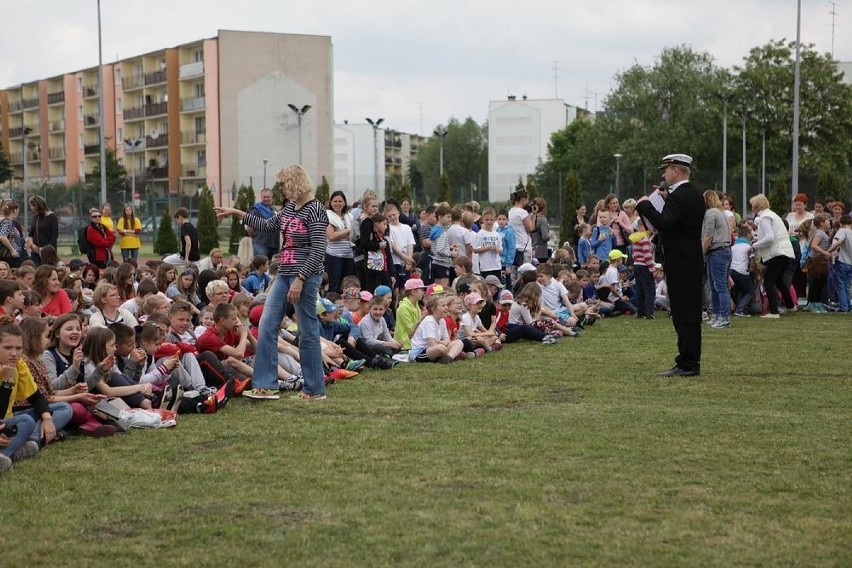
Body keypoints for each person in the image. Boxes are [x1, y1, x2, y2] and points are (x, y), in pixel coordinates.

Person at [215, 164, 327, 400]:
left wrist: (301, 279)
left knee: (307, 331)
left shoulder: (315, 209)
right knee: (266, 324)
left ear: (295, 182)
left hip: (304, 275)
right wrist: (237, 213)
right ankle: (266, 385)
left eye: (284, 184)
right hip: (284, 273)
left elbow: (318, 249)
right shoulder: (289, 208)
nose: (282, 189)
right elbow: (267, 226)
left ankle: (315, 389)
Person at [636, 154, 705, 377]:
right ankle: (688, 360)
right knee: (689, 313)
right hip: (689, 261)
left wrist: (646, 206)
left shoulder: (680, 196)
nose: (663, 175)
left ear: (676, 171)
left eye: (665, 171)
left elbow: (664, 222)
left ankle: (687, 363)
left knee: (683, 314)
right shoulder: (692, 194)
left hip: (681, 262)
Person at [749, 193, 796, 319]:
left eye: (752, 206)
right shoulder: (772, 215)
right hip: (784, 251)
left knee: (769, 280)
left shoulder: (765, 217)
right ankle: (791, 305)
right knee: (779, 280)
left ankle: (774, 311)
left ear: (757, 207)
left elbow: (769, 238)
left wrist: (754, 245)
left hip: (777, 252)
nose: (751, 209)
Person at [702, 191, 732, 329]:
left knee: (719, 286)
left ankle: (723, 317)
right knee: (716, 286)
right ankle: (717, 315)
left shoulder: (710, 214)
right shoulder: (722, 213)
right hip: (724, 250)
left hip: (717, 251)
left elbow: (708, 236)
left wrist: (701, 252)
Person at [325, 191, 354, 294]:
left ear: (344, 203)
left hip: (349, 256)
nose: (337, 203)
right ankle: (332, 309)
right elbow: (331, 236)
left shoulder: (349, 216)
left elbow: (353, 235)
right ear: (331, 203)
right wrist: (347, 230)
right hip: (334, 256)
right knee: (334, 286)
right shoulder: (327, 216)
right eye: (335, 201)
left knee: (348, 286)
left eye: (340, 201)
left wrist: (339, 231)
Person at [827, 214, 852, 312]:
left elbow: (838, 242)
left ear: (841, 223)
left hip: (842, 261)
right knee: (847, 285)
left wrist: (828, 251)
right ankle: (848, 306)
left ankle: (843, 307)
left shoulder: (842, 231)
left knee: (840, 285)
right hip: (851, 263)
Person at [245, 188, 280, 258]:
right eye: (264, 197)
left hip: (274, 245)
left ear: (271, 197)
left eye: (268, 197)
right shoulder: (256, 210)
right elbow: (249, 228)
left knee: (273, 267)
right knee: (260, 266)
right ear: (261, 197)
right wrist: (256, 237)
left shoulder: (275, 211)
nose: (266, 199)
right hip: (260, 245)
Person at [26, 196, 58, 266]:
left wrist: (44, 249)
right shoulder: (35, 217)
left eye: (32, 206)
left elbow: (54, 236)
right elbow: (31, 233)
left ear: (37, 205)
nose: (30, 208)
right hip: (35, 251)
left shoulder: (52, 217)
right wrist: (31, 244)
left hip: (48, 252)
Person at [508, 189, 536, 269]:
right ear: (523, 199)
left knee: (515, 272)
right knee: (525, 271)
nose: (528, 202)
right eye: (527, 199)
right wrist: (533, 215)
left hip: (514, 246)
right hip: (524, 246)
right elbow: (530, 228)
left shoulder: (510, 211)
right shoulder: (523, 212)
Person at [0, 201, 26, 268]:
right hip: (10, 256)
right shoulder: (7, 221)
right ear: (14, 210)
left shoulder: (4, 221)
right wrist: (12, 250)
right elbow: (2, 236)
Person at [530, 198, 551, 264]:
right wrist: (549, 235)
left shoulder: (530, 218)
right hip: (541, 251)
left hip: (531, 249)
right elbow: (545, 237)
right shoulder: (542, 219)